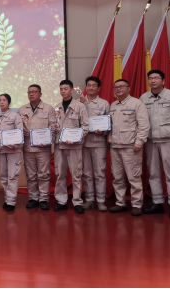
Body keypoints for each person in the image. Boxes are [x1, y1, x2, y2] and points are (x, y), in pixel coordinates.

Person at [140, 70, 170, 219]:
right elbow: (141, 119)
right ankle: (157, 203)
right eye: (150, 78)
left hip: (169, 139)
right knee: (153, 173)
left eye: (156, 78)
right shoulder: (143, 98)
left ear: (163, 81)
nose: (153, 80)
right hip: (151, 140)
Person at [109, 79, 150, 217]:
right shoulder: (113, 105)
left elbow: (144, 125)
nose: (118, 89)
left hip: (131, 147)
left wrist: (139, 141)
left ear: (128, 88)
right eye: (116, 87)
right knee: (117, 177)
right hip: (115, 146)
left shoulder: (137, 103)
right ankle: (120, 203)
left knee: (134, 177)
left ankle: (136, 205)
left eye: (121, 86)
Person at [17, 84, 56, 210]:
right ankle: (33, 198)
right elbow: (16, 128)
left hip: (43, 148)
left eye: (34, 91)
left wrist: (49, 140)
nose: (31, 94)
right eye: (29, 92)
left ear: (40, 94)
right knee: (30, 175)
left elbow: (53, 127)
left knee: (44, 174)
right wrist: (21, 132)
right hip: (28, 147)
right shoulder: (22, 109)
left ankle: (44, 198)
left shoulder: (48, 108)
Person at [54, 80, 89, 214]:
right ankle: (61, 201)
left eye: (66, 88)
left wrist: (75, 139)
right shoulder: (57, 107)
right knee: (60, 174)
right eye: (61, 89)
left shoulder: (79, 106)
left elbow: (85, 126)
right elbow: (55, 124)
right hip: (60, 146)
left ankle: (77, 201)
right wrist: (53, 127)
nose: (63, 91)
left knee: (76, 174)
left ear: (71, 90)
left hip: (74, 146)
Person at [79, 77, 110, 212]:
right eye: (88, 85)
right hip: (83, 143)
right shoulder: (78, 103)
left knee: (99, 173)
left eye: (94, 85)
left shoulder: (104, 103)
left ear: (98, 88)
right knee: (86, 173)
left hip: (98, 143)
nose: (91, 87)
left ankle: (101, 201)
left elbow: (109, 123)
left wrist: (103, 131)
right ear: (86, 87)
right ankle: (89, 200)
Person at [0, 94, 24, 212]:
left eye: (4, 100)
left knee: (12, 175)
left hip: (13, 150)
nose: (2, 102)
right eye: (0, 100)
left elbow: (20, 132)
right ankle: (7, 198)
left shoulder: (15, 116)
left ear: (9, 102)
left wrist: (16, 144)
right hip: (1, 150)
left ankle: (11, 202)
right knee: (3, 175)